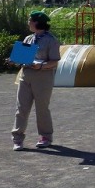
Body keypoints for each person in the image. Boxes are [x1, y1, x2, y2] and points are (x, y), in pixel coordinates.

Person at [10, 11, 61, 151]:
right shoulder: (28, 39)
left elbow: (55, 61)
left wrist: (41, 66)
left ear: (37, 22)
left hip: (43, 77)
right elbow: (22, 58)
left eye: (30, 20)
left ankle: (46, 137)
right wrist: (14, 60)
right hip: (26, 75)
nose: (28, 23)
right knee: (21, 108)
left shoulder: (51, 40)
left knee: (42, 108)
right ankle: (17, 139)